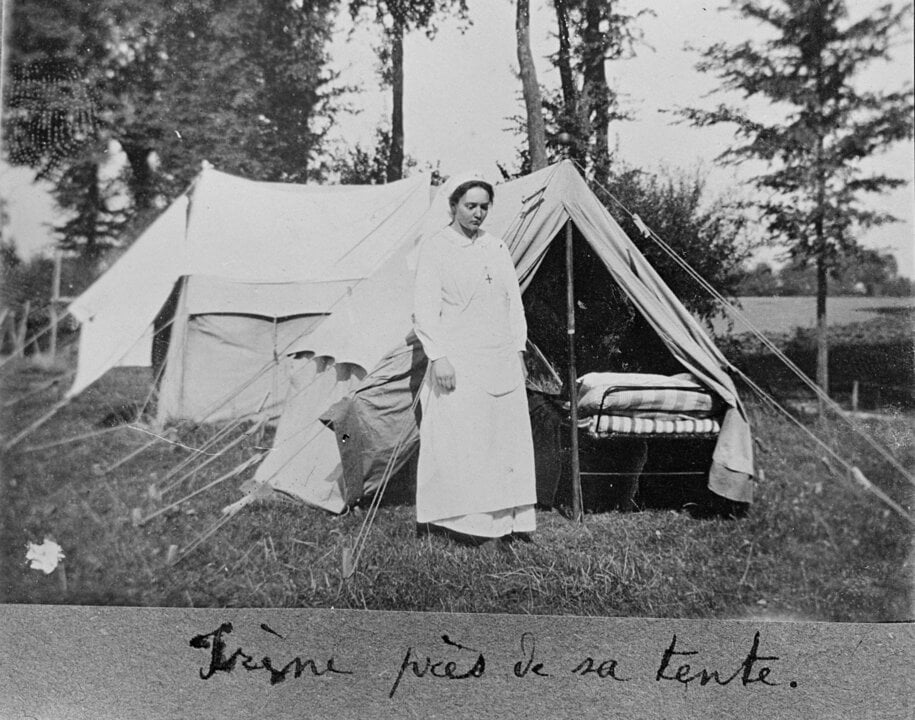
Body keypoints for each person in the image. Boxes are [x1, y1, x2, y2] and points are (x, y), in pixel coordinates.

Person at [412, 173, 537, 543]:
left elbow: (513, 304)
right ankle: (463, 523)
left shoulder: (496, 247)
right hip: (459, 358)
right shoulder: (436, 247)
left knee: (503, 440)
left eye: (484, 207)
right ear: (453, 206)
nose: (478, 213)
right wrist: (438, 358)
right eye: (471, 206)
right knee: (465, 440)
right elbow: (424, 309)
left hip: (499, 355)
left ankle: (506, 523)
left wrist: (518, 350)